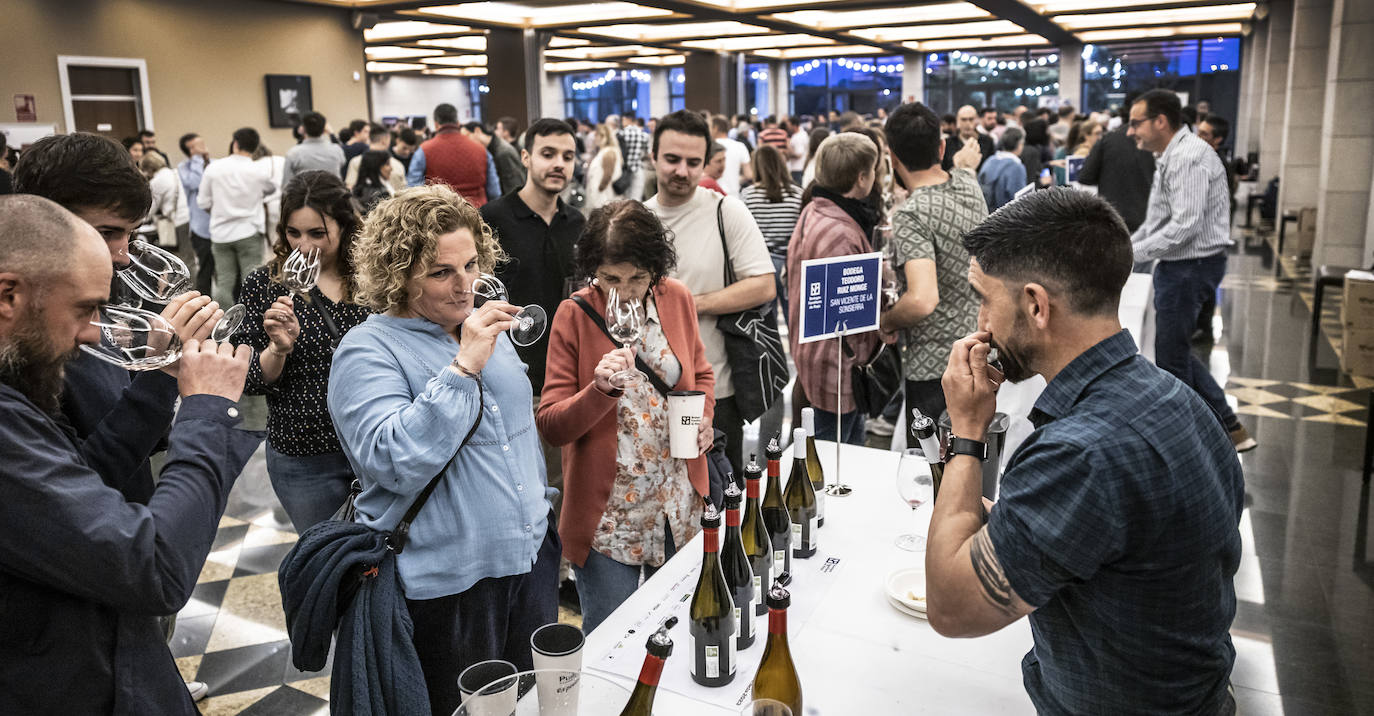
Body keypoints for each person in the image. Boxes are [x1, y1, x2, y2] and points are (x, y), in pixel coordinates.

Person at [924, 187, 1244, 716]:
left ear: (1035, 305)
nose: (980, 324)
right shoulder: (1176, 397)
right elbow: (1103, 533)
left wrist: (967, 429)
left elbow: (952, 608)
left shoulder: (1080, 454)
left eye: (985, 299)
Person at [0, 194, 262, 715]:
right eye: (83, 310)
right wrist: (206, 412)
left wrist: (161, 380)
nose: (89, 333)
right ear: (9, 295)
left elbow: (82, 481)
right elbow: (156, 567)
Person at [329, 184, 557, 716]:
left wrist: (540, 511)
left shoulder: (480, 328)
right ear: (396, 274)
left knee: (529, 704)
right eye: (441, 272)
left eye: (472, 264)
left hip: (529, 560)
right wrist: (463, 367)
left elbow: (514, 432)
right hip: (451, 584)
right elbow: (390, 461)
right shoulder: (367, 349)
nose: (465, 286)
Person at [536, 200, 715, 633]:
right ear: (592, 269)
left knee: (677, 627)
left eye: (637, 277)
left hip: (678, 503)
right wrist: (598, 391)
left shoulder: (677, 298)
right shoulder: (574, 314)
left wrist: (705, 417)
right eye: (610, 278)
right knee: (611, 639)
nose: (625, 289)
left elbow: (702, 374)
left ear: (656, 266)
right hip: (609, 515)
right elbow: (552, 423)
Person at [234, 171, 371, 532]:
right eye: (293, 233)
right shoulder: (265, 284)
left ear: (344, 227)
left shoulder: (374, 277)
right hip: (304, 451)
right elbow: (249, 378)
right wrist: (279, 348)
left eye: (317, 234)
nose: (304, 246)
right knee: (326, 562)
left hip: (373, 441)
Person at [645, 109, 775, 474]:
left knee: (720, 504)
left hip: (716, 390)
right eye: (671, 159)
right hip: (648, 392)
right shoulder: (636, 219)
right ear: (653, 156)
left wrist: (689, 305)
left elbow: (763, 284)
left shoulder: (726, 211)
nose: (682, 171)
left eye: (693, 162)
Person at [1126, 90, 1254, 452]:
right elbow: (1156, 221)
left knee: (1170, 358)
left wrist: (1130, 253)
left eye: (1136, 123)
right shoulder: (1169, 155)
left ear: (1161, 121)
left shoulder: (1188, 157)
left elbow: (1185, 226)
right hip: (1179, 265)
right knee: (1174, 350)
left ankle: (1182, 446)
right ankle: (1230, 427)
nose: (1130, 131)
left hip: (1191, 266)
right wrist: (1124, 249)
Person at [480, 118, 584, 526]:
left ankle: (558, 575)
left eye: (568, 156)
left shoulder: (579, 223)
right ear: (525, 158)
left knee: (564, 483)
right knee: (517, 486)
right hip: (511, 379)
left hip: (568, 378)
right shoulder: (492, 220)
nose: (558, 164)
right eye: (548, 154)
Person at [880, 102, 985, 424]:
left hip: (935, 367)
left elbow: (923, 300)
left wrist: (886, 321)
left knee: (931, 466)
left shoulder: (912, 214)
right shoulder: (968, 183)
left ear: (892, 158)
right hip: (980, 349)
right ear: (940, 147)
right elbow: (963, 167)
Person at [786, 133, 882, 444]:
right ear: (862, 177)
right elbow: (849, 312)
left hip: (817, 357)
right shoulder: (841, 231)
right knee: (830, 460)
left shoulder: (816, 209)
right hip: (836, 366)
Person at [198, 127, 276, 308]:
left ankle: (224, 325)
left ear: (235, 144)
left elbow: (202, 202)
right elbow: (271, 190)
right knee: (253, 281)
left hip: (220, 234)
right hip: (249, 232)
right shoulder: (258, 170)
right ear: (256, 147)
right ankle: (253, 321)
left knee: (224, 282)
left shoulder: (213, 168)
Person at [741, 144, 803, 320]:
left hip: (761, 265)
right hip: (791, 264)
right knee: (795, 319)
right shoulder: (798, 194)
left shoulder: (748, 194)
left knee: (768, 323)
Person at [1078, 93, 1155, 232]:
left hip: (1112, 220)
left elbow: (1085, 176)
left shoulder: (1108, 140)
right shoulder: (1158, 144)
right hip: (1148, 222)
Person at [407, 103, 498, 207]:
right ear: (458, 123)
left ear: (436, 125)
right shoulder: (482, 150)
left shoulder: (423, 151)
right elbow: (494, 192)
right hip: (478, 214)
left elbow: (413, 192)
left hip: (440, 215)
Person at [177, 133, 217, 295]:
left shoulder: (215, 164)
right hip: (201, 228)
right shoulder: (184, 168)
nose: (204, 146)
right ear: (191, 149)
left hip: (221, 226)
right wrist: (198, 159)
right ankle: (203, 306)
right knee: (205, 271)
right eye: (198, 144)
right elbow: (196, 182)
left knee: (225, 273)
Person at [138, 151, 191, 258]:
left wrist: (138, 221)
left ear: (148, 169)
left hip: (174, 223)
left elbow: (150, 209)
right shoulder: (175, 172)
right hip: (187, 218)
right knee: (188, 257)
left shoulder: (157, 181)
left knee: (174, 258)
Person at [283, 111, 346, 187]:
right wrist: (331, 134)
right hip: (335, 197)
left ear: (302, 129)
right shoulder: (337, 150)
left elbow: (286, 186)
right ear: (325, 129)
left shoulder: (293, 153)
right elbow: (342, 164)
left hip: (305, 197)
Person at [465, 121, 526, 197]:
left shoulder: (503, 152)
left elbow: (515, 187)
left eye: (466, 136)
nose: (466, 141)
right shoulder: (491, 148)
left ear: (477, 131)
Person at [346, 122, 407, 193]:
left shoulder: (355, 162)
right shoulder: (397, 165)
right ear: (384, 142)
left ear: (369, 140)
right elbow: (403, 193)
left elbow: (350, 188)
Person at [978, 127, 1026, 211]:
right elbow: (1019, 201)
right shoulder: (1017, 168)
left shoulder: (990, 160)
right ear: (1019, 144)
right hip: (1006, 217)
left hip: (986, 213)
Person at [583, 123, 623, 214]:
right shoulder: (604, 151)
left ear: (603, 136)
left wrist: (599, 189)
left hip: (603, 196)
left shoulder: (609, 152)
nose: (595, 138)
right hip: (598, 194)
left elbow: (608, 175)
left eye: (597, 135)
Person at [942, 105, 994, 172]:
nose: (967, 123)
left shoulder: (988, 142)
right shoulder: (948, 143)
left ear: (977, 120)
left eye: (971, 119)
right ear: (958, 121)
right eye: (963, 120)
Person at [709, 115, 752, 196]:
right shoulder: (740, 146)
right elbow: (749, 175)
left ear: (716, 128)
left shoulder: (710, 146)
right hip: (734, 195)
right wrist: (735, 179)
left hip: (713, 196)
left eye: (710, 127)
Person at [352, 149, 396, 214]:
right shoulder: (382, 195)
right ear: (376, 167)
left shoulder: (356, 191)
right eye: (387, 164)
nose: (391, 168)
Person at [618, 114, 650, 201]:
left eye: (623, 120)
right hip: (637, 167)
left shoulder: (621, 133)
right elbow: (648, 153)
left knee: (624, 197)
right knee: (636, 197)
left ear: (627, 120)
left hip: (623, 169)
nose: (622, 122)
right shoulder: (644, 135)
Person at [1019, 118, 1052, 186]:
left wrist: (1050, 163)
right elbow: (1030, 181)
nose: (1048, 133)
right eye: (1046, 130)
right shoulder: (1031, 152)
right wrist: (1041, 182)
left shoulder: (1031, 148)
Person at [786, 118, 809, 184]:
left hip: (797, 169)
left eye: (789, 125)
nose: (787, 127)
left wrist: (787, 148)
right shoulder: (798, 134)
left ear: (794, 125)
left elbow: (798, 154)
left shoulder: (799, 137)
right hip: (797, 168)